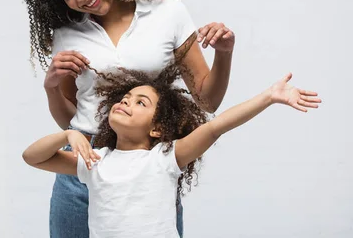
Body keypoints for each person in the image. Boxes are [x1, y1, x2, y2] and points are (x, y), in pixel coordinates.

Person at [25, 0, 235, 237]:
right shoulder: (67, 33)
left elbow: (207, 100)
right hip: (83, 159)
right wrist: (51, 85)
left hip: (146, 162)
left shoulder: (168, 13)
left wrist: (225, 52)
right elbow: (68, 120)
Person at [23, 65, 321, 238]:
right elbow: (32, 157)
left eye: (141, 102)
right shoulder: (96, 160)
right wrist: (67, 133)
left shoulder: (165, 158)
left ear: (156, 129)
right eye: (126, 98)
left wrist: (268, 97)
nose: (126, 102)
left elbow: (216, 126)